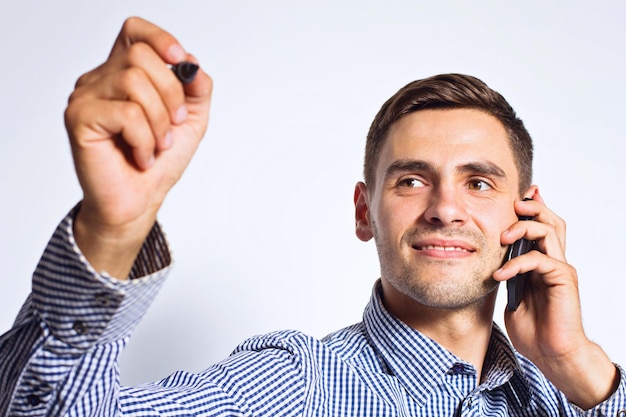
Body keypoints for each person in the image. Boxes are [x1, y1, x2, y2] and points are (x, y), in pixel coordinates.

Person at [0, 17, 624, 416]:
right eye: (411, 180)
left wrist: (581, 368)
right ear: (364, 211)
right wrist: (112, 231)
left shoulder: (573, 395)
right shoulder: (293, 384)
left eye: (479, 182)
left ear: (529, 213)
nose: (445, 209)